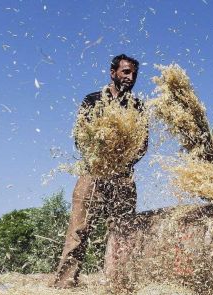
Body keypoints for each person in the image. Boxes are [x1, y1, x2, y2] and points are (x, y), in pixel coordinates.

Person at [54, 54, 147, 288]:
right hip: (93, 173)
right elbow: (80, 137)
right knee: (78, 230)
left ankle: (118, 285)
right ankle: (64, 284)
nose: (130, 77)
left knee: (123, 232)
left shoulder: (137, 106)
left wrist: (124, 160)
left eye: (134, 74)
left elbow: (143, 144)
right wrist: (100, 150)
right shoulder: (92, 100)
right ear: (113, 72)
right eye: (126, 72)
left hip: (123, 176)